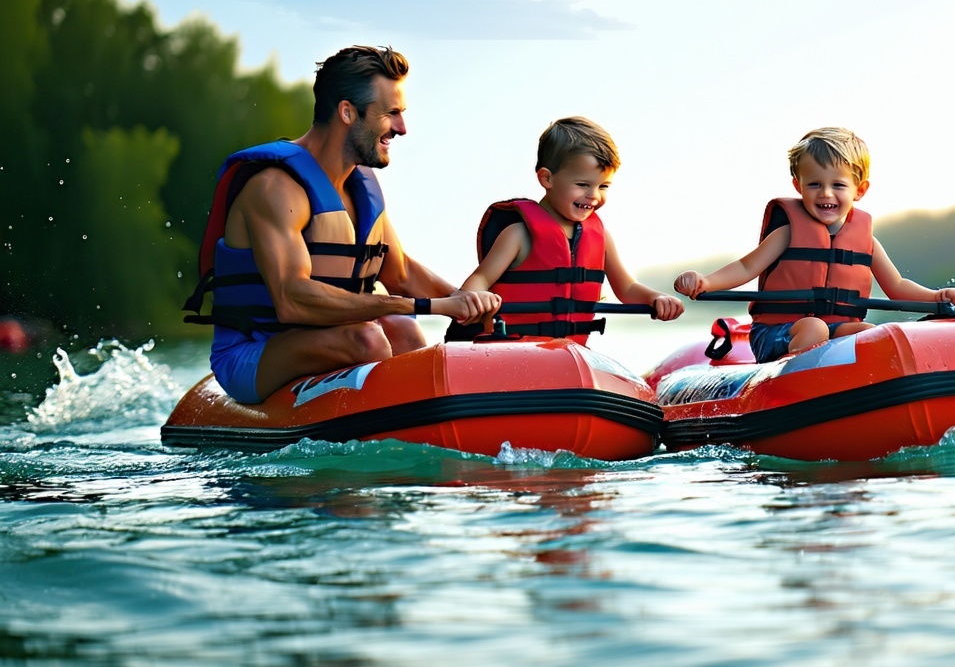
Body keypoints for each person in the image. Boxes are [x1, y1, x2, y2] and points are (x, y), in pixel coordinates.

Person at [183, 45, 500, 404]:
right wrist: (414, 306)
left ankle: (421, 422)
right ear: (347, 112)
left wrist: (468, 303)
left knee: (404, 332)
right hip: (253, 352)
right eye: (391, 113)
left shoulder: (359, 188)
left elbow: (402, 273)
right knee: (369, 338)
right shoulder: (275, 188)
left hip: (325, 337)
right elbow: (292, 301)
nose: (402, 128)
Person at [674, 127, 955, 362]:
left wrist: (938, 297)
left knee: (869, 334)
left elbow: (897, 287)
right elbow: (746, 266)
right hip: (775, 333)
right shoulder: (788, 233)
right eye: (814, 184)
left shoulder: (867, 242)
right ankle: (794, 394)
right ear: (798, 186)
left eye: (838, 185)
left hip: (833, 330)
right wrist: (705, 281)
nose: (825, 194)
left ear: (860, 190)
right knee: (814, 327)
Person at [449, 116, 683, 344]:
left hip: (568, 356)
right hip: (511, 352)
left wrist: (655, 298)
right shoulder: (519, 234)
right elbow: (481, 278)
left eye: (603, 186)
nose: (594, 195)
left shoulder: (601, 237)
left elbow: (627, 288)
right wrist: (473, 297)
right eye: (583, 185)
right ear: (547, 178)